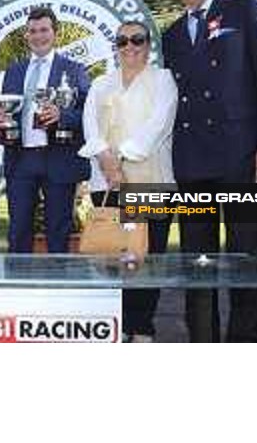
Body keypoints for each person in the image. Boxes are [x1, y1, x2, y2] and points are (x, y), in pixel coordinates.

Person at [155, 0, 257, 342]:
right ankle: (202, 343)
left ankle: (244, 343)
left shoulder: (245, 7)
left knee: (248, 259)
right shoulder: (172, 34)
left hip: (243, 156)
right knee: (198, 263)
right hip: (193, 162)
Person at [79, 21, 177, 342]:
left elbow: (159, 124)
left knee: (146, 257)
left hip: (151, 181)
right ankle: (116, 325)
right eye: (122, 41)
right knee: (112, 254)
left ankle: (142, 326)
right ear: (116, 46)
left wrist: (119, 157)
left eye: (137, 39)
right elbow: (90, 125)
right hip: (106, 182)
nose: (130, 46)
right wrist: (106, 160)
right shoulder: (100, 83)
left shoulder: (163, 79)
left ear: (149, 45)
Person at [0, 7, 90, 253]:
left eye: (44, 30)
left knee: (59, 228)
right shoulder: (14, 71)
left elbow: (89, 116)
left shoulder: (74, 70)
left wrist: (62, 115)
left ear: (55, 33)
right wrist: (0, 119)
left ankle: (58, 288)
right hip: (21, 158)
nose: (38, 36)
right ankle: (19, 287)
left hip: (59, 157)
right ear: (27, 35)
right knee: (18, 228)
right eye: (32, 31)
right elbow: (9, 111)